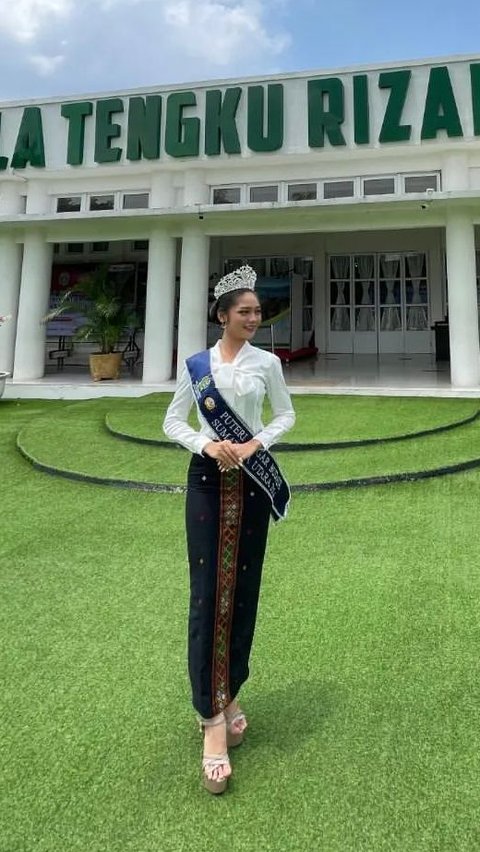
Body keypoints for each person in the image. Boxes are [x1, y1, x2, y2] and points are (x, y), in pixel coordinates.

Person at [163, 264, 295, 794]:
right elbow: (173, 421)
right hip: (207, 484)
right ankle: (211, 720)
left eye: (258, 312)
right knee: (207, 595)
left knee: (242, 592)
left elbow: (284, 416)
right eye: (245, 312)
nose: (254, 318)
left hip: (251, 483)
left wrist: (253, 444)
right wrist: (205, 443)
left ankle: (230, 690)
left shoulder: (267, 363)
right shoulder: (196, 366)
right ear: (222, 316)